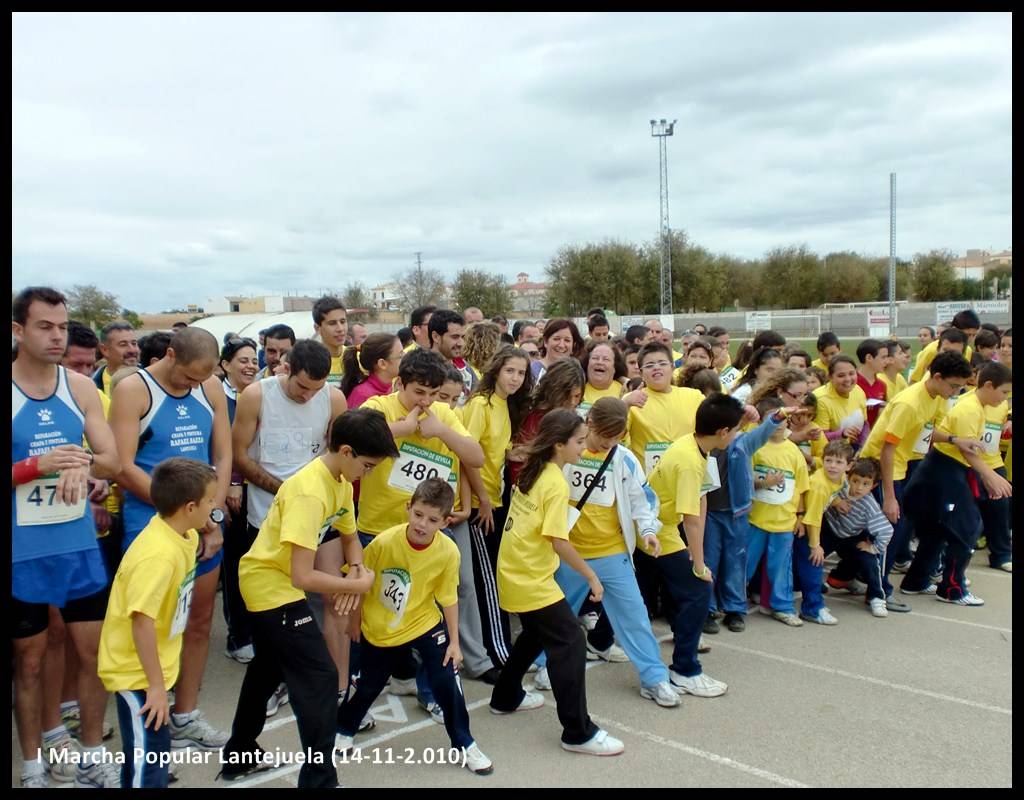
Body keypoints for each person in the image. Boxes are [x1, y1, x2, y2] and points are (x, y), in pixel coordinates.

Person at [220, 410, 397, 787]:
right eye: (367, 466)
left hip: (282, 583)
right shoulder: (309, 491)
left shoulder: (341, 482)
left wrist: (357, 570)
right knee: (320, 677)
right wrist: (355, 586)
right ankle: (320, 780)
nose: (368, 473)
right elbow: (302, 574)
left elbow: (350, 539)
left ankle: (239, 754)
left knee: (267, 667)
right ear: (346, 451)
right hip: (269, 585)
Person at [12, 287, 122, 788]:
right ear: (18, 331)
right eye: (44, 326)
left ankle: (92, 751)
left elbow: (112, 458)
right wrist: (38, 465)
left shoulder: (78, 388)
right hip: (21, 552)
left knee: (91, 652)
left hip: (78, 545)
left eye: (62, 326)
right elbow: (38, 465)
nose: (56, 336)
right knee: (30, 661)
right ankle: (34, 765)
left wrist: (87, 467)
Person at [109, 326, 232, 750]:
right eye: (188, 377)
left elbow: (223, 454)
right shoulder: (133, 389)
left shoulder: (210, 386)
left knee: (196, 622)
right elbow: (124, 466)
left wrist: (211, 515)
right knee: (151, 626)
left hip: (202, 522)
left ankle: (186, 714)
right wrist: (186, 514)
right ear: (170, 354)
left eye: (202, 378)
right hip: (152, 523)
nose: (194, 385)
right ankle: (150, 729)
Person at [489, 410, 625, 756]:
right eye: (579, 441)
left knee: (536, 633)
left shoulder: (536, 470)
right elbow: (558, 540)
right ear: (559, 444)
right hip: (528, 577)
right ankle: (578, 732)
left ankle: (505, 697)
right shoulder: (553, 480)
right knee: (570, 641)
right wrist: (591, 575)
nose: (585, 446)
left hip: (517, 570)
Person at [335, 479, 494, 774]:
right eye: (418, 514)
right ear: (408, 509)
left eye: (433, 520)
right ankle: (344, 729)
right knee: (369, 685)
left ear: (446, 521)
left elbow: (448, 598)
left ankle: (465, 744)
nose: (422, 524)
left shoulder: (449, 551)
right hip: (383, 626)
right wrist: (355, 622)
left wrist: (455, 643)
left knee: (448, 678)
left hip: (424, 622)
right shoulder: (383, 544)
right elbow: (357, 583)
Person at [532, 398, 679, 708]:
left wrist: (649, 531)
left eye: (616, 438)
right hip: (569, 553)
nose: (608, 443)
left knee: (635, 615)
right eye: (602, 436)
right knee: (558, 615)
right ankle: (546, 664)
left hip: (612, 553)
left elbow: (644, 501)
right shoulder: (567, 454)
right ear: (590, 425)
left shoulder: (624, 459)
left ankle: (654, 678)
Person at [230, 340, 348, 701]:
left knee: (332, 597)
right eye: (301, 387)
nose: (307, 396)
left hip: (320, 514)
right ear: (285, 367)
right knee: (278, 609)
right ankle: (276, 682)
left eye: (316, 389)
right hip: (270, 515)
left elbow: (337, 453)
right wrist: (287, 492)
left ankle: (338, 685)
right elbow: (240, 455)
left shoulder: (333, 399)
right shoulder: (256, 395)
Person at [98, 458, 216, 788]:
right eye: (209, 501)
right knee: (148, 764)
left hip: (153, 670)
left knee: (153, 755)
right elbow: (141, 621)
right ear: (189, 507)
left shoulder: (186, 535)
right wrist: (155, 687)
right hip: (136, 673)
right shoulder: (157, 556)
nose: (214, 506)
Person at [643, 393, 745, 693]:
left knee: (646, 593)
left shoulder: (695, 446)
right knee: (699, 590)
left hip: (657, 527)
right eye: (736, 429)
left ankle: (600, 641)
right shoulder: (689, 460)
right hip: (656, 532)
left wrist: (696, 559)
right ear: (722, 432)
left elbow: (700, 499)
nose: (736, 435)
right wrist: (699, 565)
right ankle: (685, 670)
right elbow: (692, 520)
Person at [860, 351, 977, 607]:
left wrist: (955, 440)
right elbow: (886, 450)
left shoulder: (936, 397)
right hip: (879, 468)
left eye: (961, 387)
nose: (956, 392)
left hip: (906, 464)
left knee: (907, 523)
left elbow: (926, 431)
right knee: (893, 529)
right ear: (936, 377)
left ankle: (845, 575)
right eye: (954, 386)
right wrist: (890, 497)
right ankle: (878, 592)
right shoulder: (909, 403)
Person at [899, 362, 1012, 604]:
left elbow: (959, 442)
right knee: (967, 527)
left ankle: (916, 581)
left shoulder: (976, 406)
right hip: (944, 470)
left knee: (937, 528)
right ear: (989, 385)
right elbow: (969, 451)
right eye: (1003, 392)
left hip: (944, 469)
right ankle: (951, 588)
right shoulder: (969, 409)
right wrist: (990, 476)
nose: (1005, 398)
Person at [460, 347, 533, 677]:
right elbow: (468, 455)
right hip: (481, 506)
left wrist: (521, 452)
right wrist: (483, 500)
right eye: (510, 371)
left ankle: (500, 648)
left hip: (498, 500)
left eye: (521, 373)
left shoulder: (504, 405)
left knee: (494, 579)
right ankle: (498, 653)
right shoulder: (481, 404)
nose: (516, 378)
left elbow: (496, 452)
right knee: (487, 583)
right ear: (496, 370)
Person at [702, 395, 787, 635]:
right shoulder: (702, 445)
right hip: (709, 513)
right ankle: (708, 609)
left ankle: (735, 609)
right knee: (708, 561)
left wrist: (777, 416)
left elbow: (760, 434)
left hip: (736, 514)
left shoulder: (742, 443)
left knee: (735, 562)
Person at [745, 397, 811, 626]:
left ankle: (781, 606)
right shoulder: (755, 447)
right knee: (745, 564)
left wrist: (800, 517)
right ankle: (731, 602)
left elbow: (801, 488)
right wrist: (764, 481)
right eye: (775, 418)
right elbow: (745, 478)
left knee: (780, 567)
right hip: (755, 519)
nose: (780, 423)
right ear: (763, 422)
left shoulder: (793, 452)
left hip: (784, 522)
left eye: (784, 418)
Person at [218, 337, 259, 663]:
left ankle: (257, 631)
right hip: (230, 494)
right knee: (235, 565)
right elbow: (223, 448)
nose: (249, 365)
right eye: (242, 360)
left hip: (259, 490)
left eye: (252, 360)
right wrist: (232, 482)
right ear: (225, 364)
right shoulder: (217, 397)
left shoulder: (261, 393)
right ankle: (239, 636)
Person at [818, 456, 894, 618]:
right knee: (811, 554)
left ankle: (876, 597)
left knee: (869, 559)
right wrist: (836, 501)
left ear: (873, 486)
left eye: (865, 484)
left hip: (851, 536)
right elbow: (821, 489)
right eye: (855, 481)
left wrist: (873, 547)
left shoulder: (870, 506)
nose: (859, 488)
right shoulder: (839, 485)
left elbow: (886, 530)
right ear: (848, 478)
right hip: (828, 529)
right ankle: (811, 582)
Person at [793, 440, 855, 625]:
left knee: (806, 565)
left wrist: (837, 503)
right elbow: (812, 519)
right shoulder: (820, 485)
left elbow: (830, 495)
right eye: (828, 461)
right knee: (814, 563)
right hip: (801, 524)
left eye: (838, 462)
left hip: (808, 519)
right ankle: (812, 608)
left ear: (849, 466)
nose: (832, 466)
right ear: (823, 460)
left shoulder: (840, 478)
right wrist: (815, 546)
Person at [812, 356, 868, 449]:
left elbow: (865, 423)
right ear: (830, 377)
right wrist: (842, 434)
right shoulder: (821, 399)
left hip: (853, 448)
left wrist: (863, 445)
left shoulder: (858, 390)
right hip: (830, 452)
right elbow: (818, 437)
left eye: (851, 373)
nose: (848, 379)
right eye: (841, 375)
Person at [910, 310, 978, 383]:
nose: (970, 339)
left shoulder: (968, 350)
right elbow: (915, 379)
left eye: (973, 335)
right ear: (954, 329)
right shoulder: (931, 350)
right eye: (967, 335)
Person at [340, 333, 402, 409]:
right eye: (400, 356)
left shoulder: (395, 386)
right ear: (382, 364)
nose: (406, 358)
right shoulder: (363, 396)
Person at [429, 309, 474, 403]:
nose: (461, 343)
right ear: (436, 337)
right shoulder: (419, 369)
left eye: (463, 337)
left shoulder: (466, 369)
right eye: (455, 337)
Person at [578, 341, 628, 418]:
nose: (599, 362)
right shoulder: (577, 389)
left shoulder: (625, 389)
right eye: (595, 358)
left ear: (615, 367)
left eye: (606, 359)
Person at [94, 322, 140, 396]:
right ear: (105, 350)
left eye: (134, 343)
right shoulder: (92, 389)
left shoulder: (154, 380)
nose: (132, 350)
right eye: (123, 345)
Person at [312, 296, 348, 387]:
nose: (340, 329)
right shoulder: (310, 362)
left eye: (343, 322)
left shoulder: (357, 357)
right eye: (332, 323)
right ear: (317, 328)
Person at [854, 339, 891, 428]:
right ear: (869, 358)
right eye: (883, 357)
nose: (887, 361)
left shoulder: (882, 385)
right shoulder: (852, 383)